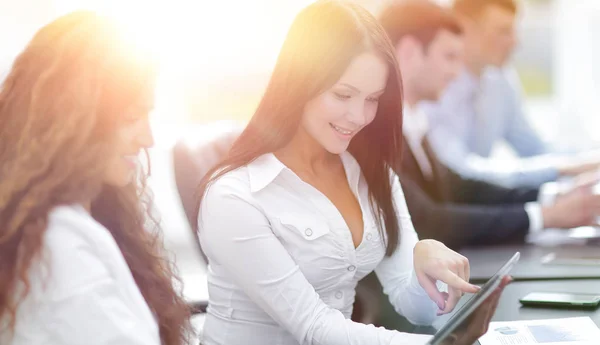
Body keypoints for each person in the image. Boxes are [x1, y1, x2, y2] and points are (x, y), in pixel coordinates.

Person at [196, 1, 508, 344]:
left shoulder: (371, 174)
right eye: (343, 95)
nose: (359, 117)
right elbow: (314, 327)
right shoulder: (235, 197)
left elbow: (416, 308)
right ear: (301, 81)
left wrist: (426, 259)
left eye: (372, 99)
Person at [0, 11, 191, 345]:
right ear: (74, 122)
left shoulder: (68, 225)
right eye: (131, 117)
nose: (147, 139)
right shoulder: (59, 243)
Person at [379, 0, 600, 249]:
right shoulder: (379, 132)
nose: (455, 72)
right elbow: (428, 219)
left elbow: (460, 187)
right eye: (449, 57)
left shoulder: (415, 121)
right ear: (408, 52)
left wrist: (551, 197)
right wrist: (544, 215)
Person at [421, 0, 600, 188]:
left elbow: (535, 149)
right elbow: (461, 171)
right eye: (504, 31)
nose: (516, 42)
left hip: (487, 202)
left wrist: (588, 160)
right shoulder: (434, 87)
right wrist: (563, 169)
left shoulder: (500, 81)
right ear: (466, 28)